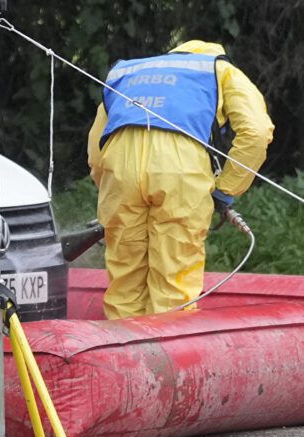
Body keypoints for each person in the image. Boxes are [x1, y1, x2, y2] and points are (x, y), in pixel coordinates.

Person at [87, 40, 274, 319]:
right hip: (180, 171)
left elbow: (95, 152)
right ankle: (167, 361)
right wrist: (225, 191)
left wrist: (111, 193)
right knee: (173, 287)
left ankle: (122, 359)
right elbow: (257, 131)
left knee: (124, 287)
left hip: (119, 169)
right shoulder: (218, 68)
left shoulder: (126, 71)